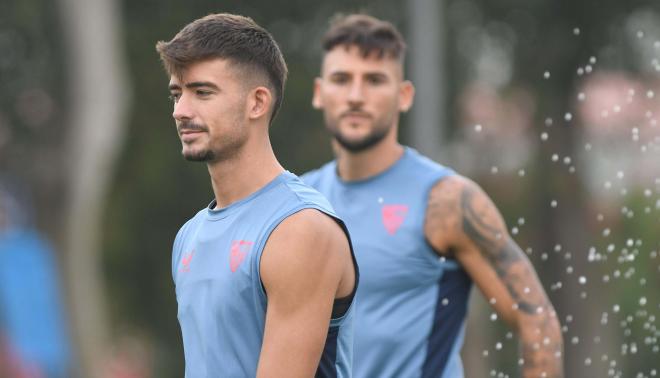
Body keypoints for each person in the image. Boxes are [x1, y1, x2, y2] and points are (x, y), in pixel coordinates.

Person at [302, 14, 563, 378]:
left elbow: (538, 324)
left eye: (375, 80)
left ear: (404, 96)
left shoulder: (448, 201)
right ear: (319, 92)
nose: (356, 96)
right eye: (342, 79)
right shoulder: (298, 203)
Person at [156, 13, 358, 378]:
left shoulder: (299, 229)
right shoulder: (189, 235)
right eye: (177, 93)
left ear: (257, 103)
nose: (181, 111)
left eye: (202, 92)